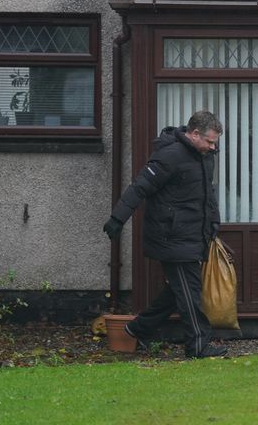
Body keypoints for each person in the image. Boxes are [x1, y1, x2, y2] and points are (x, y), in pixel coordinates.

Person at [103, 110, 227, 359]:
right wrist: (118, 218)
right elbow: (140, 186)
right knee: (190, 294)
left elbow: (207, 194)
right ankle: (198, 346)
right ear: (194, 134)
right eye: (210, 141)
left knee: (178, 290)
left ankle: (136, 329)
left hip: (194, 235)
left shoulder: (204, 156)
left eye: (215, 142)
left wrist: (213, 222)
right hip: (172, 237)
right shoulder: (169, 155)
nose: (214, 147)